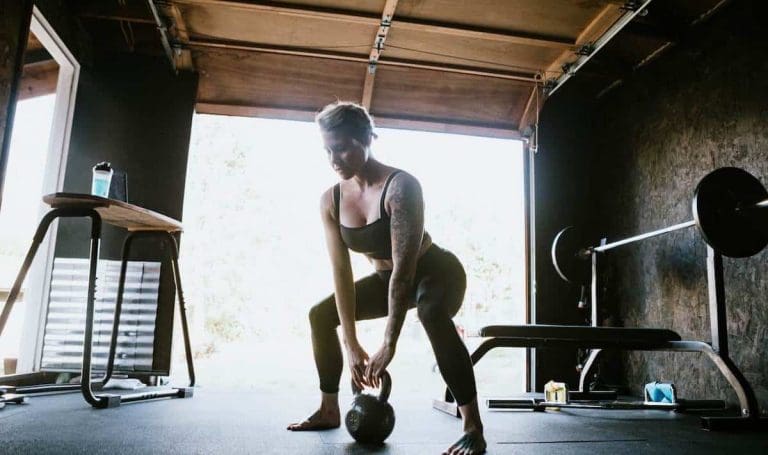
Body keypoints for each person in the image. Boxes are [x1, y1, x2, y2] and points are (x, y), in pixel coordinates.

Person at [286, 101, 486, 455]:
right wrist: (351, 343)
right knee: (320, 315)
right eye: (327, 150)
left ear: (367, 138)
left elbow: (404, 272)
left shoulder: (401, 187)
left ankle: (473, 426)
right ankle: (329, 408)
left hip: (435, 272)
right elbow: (341, 272)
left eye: (343, 147)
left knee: (431, 313)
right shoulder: (330, 200)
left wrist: (388, 343)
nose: (334, 159)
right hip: (385, 278)